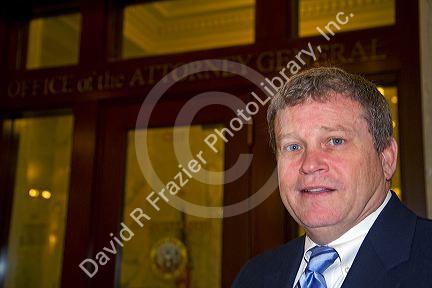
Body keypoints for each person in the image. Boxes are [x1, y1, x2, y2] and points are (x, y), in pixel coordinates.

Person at [233, 67, 432, 288]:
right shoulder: (253, 277)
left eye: (335, 141)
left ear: (386, 158)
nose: (309, 164)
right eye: (293, 146)